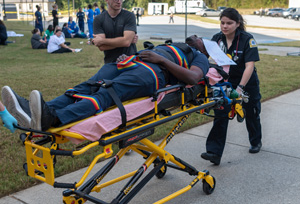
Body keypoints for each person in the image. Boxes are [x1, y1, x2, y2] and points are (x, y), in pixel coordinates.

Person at [3, 43, 209, 131]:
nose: (195, 39)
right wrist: (129, 57)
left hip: (153, 74)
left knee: (106, 93)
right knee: (85, 87)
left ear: (204, 48)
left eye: (201, 41)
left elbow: (192, 78)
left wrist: (160, 59)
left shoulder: (200, 58)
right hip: (130, 63)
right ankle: (35, 111)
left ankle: (55, 118)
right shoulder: (173, 45)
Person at [201, 8, 262, 166]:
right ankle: (214, 152)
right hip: (225, 82)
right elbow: (207, 60)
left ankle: (256, 141)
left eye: (229, 23)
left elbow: (249, 66)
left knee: (251, 112)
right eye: (222, 22)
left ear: (238, 23)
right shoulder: (217, 39)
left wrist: (240, 88)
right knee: (220, 113)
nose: (225, 26)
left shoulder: (247, 39)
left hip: (247, 82)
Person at [93, 0, 137, 64]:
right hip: (110, 63)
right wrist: (125, 40)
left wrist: (103, 40)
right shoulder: (99, 19)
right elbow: (102, 47)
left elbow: (126, 42)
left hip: (130, 62)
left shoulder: (129, 16)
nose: (119, 1)